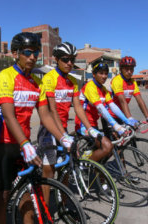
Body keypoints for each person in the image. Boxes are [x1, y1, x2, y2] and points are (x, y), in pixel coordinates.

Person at [0, 32, 73, 224]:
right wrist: (26, 143)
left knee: (28, 196)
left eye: (36, 53)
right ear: (16, 53)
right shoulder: (6, 76)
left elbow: (45, 115)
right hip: (2, 144)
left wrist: (62, 137)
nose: (33, 57)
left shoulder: (37, 82)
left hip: (22, 145)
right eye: (28, 52)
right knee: (3, 198)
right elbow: (9, 116)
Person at [37, 42, 102, 181]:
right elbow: (52, 110)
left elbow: (78, 107)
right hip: (49, 129)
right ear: (57, 59)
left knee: (66, 168)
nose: (69, 63)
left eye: (72, 60)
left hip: (63, 127)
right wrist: (63, 136)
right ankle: (45, 203)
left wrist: (90, 129)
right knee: (49, 170)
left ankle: (64, 201)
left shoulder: (72, 81)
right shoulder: (50, 78)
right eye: (65, 59)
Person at [75, 61, 132, 162]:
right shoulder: (90, 86)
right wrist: (115, 125)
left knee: (108, 150)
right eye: (101, 73)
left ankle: (96, 171)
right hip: (83, 125)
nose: (104, 76)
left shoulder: (103, 89)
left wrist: (127, 120)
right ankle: (85, 166)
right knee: (107, 146)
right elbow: (100, 107)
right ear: (93, 74)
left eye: (106, 73)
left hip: (93, 124)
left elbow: (112, 105)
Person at [110, 56, 148, 129]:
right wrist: (130, 119)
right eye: (127, 69)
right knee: (115, 138)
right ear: (121, 69)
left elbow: (140, 100)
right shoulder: (117, 80)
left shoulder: (133, 82)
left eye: (131, 69)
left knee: (130, 137)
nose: (129, 71)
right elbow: (122, 101)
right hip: (111, 115)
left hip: (123, 115)